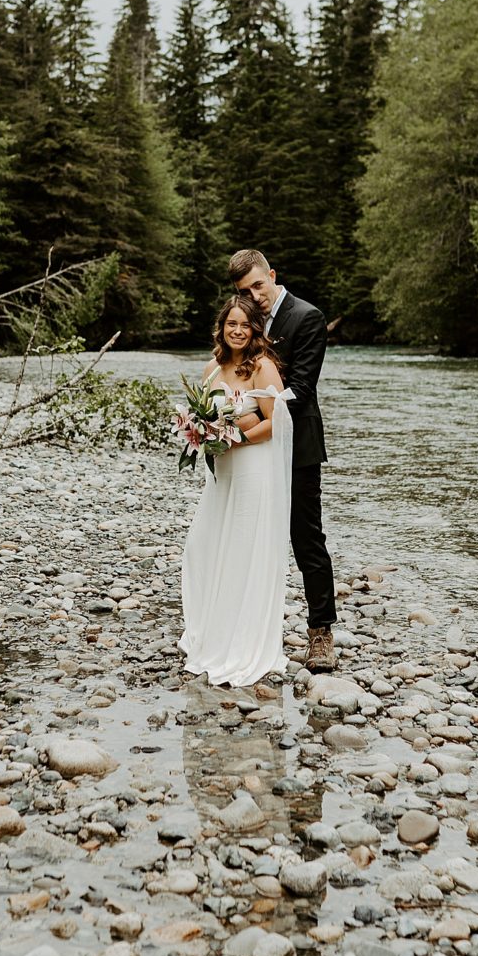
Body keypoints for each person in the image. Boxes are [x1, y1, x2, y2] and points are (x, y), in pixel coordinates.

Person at [228, 247, 337, 673]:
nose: (254, 296)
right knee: (247, 536)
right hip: (253, 449)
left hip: (298, 445)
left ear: (271, 274)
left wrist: (247, 406)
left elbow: (302, 388)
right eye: (244, 290)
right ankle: (244, 631)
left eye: (258, 284)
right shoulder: (243, 321)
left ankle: (321, 633)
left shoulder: (306, 317)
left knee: (306, 538)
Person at [178, 295, 294, 688]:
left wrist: (235, 437)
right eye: (232, 324)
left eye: (245, 325)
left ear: (255, 329)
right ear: (222, 327)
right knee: (206, 546)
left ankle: (242, 641)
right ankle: (211, 628)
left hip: (252, 467)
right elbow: (200, 414)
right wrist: (202, 433)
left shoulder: (262, 367)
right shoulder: (213, 367)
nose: (238, 331)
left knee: (244, 549)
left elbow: (277, 421)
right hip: (222, 470)